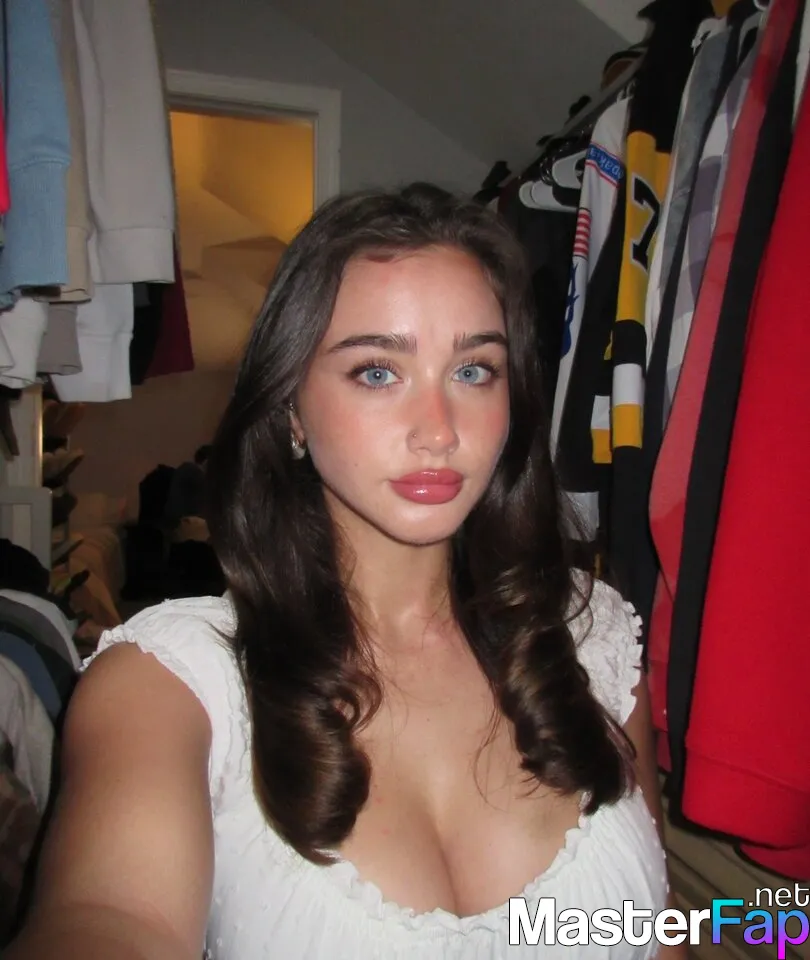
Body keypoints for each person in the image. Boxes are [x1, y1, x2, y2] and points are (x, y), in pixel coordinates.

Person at [5, 184, 678, 959]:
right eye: (378, 372)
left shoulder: (590, 636)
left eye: (474, 371)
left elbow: (659, 934)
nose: (438, 431)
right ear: (291, 406)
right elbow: (107, 915)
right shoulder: (171, 685)